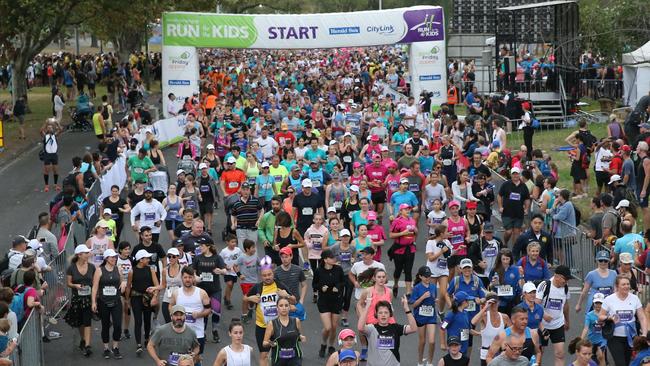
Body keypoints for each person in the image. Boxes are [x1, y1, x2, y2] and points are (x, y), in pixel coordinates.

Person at [244, 257, 296, 366]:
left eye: (269, 275)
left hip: (279, 326)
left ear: (273, 274)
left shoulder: (279, 285)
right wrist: (250, 299)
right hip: (262, 327)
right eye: (264, 275)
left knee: (280, 355)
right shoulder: (257, 287)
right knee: (263, 355)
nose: (267, 277)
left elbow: (294, 300)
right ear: (261, 276)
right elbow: (244, 298)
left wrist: (286, 295)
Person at [599, 275, 648, 366]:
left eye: (628, 284)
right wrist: (609, 318)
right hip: (614, 337)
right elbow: (600, 316)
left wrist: (644, 334)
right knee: (620, 363)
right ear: (617, 286)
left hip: (631, 337)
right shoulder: (609, 299)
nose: (626, 286)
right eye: (623, 284)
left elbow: (642, 317)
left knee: (627, 362)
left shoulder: (634, 298)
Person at [358, 296, 417, 366]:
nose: (383, 315)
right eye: (380, 313)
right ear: (376, 314)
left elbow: (413, 328)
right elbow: (360, 328)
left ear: (390, 314)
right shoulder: (371, 329)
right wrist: (367, 307)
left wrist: (406, 308)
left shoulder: (396, 328)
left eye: (386, 312)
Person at [169, 266, 212, 357]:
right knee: (180, 359)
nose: (187, 280)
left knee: (195, 358)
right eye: (185, 277)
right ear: (182, 278)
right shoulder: (176, 293)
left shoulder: (202, 293)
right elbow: (170, 305)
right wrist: (174, 315)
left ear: (193, 278)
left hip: (197, 333)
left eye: (190, 277)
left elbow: (209, 309)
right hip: (179, 332)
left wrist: (199, 314)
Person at [192, 236, 227, 343]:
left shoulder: (217, 258)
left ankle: (215, 330)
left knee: (216, 311)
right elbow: (192, 271)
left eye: (202, 246)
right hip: (202, 291)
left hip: (215, 289)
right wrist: (195, 277)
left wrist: (220, 271)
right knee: (205, 312)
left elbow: (225, 270)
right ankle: (203, 332)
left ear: (208, 246)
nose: (200, 247)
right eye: (199, 246)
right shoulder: (198, 258)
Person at [536, 265, 573, 366]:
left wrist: (567, 320)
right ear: (556, 276)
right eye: (565, 279)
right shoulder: (545, 285)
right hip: (542, 325)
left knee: (560, 354)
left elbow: (565, 305)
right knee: (539, 353)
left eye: (568, 279)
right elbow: (536, 304)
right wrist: (544, 315)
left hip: (558, 324)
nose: (566, 282)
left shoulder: (565, 287)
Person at [126, 249, 160, 356]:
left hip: (147, 298)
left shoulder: (150, 270)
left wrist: (155, 296)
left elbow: (157, 285)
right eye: (146, 258)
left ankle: (146, 339)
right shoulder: (132, 271)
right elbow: (128, 287)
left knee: (147, 319)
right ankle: (138, 344)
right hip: (136, 298)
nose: (148, 259)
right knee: (138, 320)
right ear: (141, 260)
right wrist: (127, 300)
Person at [90, 248, 123, 359]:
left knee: (118, 325)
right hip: (103, 301)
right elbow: (95, 287)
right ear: (106, 258)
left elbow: (122, 281)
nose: (114, 259)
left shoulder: (118, 269)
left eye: (115, 257)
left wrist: (123, 283)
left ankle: (115, 347)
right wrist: (93, 302)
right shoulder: (99, 270)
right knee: (105, 325)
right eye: (112, 257)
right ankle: (106, 348)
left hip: (116, 300)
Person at [64, 245, 96, 357]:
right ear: (79, 255)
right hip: (77, 299)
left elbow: (95, 282)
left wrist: (95, 298)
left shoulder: (92, 267)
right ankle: (83, 338)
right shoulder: (71, 268)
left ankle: (87, 345)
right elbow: (68, 283)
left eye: (88, 253)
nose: (88, 255)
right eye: (86, 253)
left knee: (87, 321)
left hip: (88, 298)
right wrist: (75, 286)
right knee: (80, 322)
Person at [313, 249, 345, 358]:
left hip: (336, 300)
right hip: (324, 301)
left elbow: (343, 282)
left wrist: (338, 287)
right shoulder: (319, 271)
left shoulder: (338, 269)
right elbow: (314, 284)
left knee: (334, 327)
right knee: (327, 327)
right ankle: (323, 344)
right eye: (332, 257)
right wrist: (321, 288)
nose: (334, 259)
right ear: (326, 260)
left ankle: (331, 346)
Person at [262, 297, 306, 366]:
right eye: (281, 305)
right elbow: (264, 343)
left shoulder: (296, 321)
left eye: (286, 305)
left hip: (294, 359)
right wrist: (270, 343)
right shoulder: (272, 324)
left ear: (289, 307)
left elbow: (298, 336)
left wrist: (301, 337)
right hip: (279, 359)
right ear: (277, 308)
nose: (284, 308)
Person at [409, 266, 438, 366]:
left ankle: (430, 362)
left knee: (432, 341)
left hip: (431, 317)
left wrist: (435, 300)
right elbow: (413, 304)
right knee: (422, 341)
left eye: (429, 276)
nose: (428, 278)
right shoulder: (416, 288)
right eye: (425, 276)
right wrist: (422, 297)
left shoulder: (433, 286)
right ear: (420, 276)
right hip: (420, 317)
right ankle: (420, 362)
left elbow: (434, 298)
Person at [473, 293, 511, 366]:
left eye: (495, 302)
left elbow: (512, 333)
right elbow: (473, 322)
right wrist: (485, 308)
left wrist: (506, 346)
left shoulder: (504, 317)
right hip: (485, 354)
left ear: (499, 303)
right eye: (491, 303)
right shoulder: (484, 316)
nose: (493, 305)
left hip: (500, 354)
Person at [389, 203, 418, 297]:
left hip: (410, 248)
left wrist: (414, 236)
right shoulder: (396, 221)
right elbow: (391, 235)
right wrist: (402, 233)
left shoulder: (412, 220)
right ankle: (396, 284)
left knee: (408, 270)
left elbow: (415, 232)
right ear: (401, 211)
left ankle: (408, 292)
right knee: (398, 269)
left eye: (409, 209)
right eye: (405, 209)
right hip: (399, 249)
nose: (408, 211)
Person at [329, 229, 356, 327]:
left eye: (347, 236)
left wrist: (353, 259)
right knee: (338, 295)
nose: (345, 238)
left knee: (348, 296)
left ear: (350, 237)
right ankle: (335, 311)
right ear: (340, 237)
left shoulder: (352, 248)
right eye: (343, 236)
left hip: (349, 274)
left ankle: (344, 317)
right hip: (338, 274)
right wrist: (334, 263)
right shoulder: (335, 247)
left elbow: (354, 256)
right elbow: (327, 257)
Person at [498, 167, 531, 247]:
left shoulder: (523, 186)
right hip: (507, 213)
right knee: (509, 231)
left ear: (519, 175)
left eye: (517, 174)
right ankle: (505, 243)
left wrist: (526, 209)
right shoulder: (506, 184)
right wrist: (500, 206)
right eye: (514, 174)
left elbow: (527, 199)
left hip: (519, 213)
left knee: (517, 232)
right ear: (511, 175)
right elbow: (499, 195)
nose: (515, 175)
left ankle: (514, 251)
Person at [273, 247, 307, 320]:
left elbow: (304, 285)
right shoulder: (276, 272)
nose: (284, 259)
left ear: (291, 256)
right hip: (282, 306)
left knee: (297, 328)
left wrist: (301, 301)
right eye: (282, 257)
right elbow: (275, 289)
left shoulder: (298, 270)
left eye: (286, 257)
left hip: (296, 304)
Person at [580, 293, 606, 366]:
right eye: (596, 303)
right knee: (591, 359)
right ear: (593, 303)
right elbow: (586, 328)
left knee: (601, 356)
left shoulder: (606, 314)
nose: (598, 305)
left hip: (602, 339)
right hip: (591, 339)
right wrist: (581, 339)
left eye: (600, 303)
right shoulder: (589, 315)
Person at [160, 247, 184, 324]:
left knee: (179, 321)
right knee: (168, 320)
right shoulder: (164, 270)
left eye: (173, 256)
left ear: (177, 257)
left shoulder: (183, 269)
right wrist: (154, 288)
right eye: (169, 256)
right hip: (168, 297)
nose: (171, 258)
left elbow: (190, 280)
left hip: (180, 297)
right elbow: (163, 285)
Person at [40, 122, 61, 192]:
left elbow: (60, 130)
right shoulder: (45, 136)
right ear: (47, 129)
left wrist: (57, 124)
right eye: (48, 128)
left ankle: (55, 184)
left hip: (54, 154)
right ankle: (46, 185)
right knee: (47, 170)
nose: (50, 129)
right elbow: (40, 131)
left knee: (55, 170)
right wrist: (45, 124)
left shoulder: (55, 135)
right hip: (47, 154)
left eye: (51, 128)